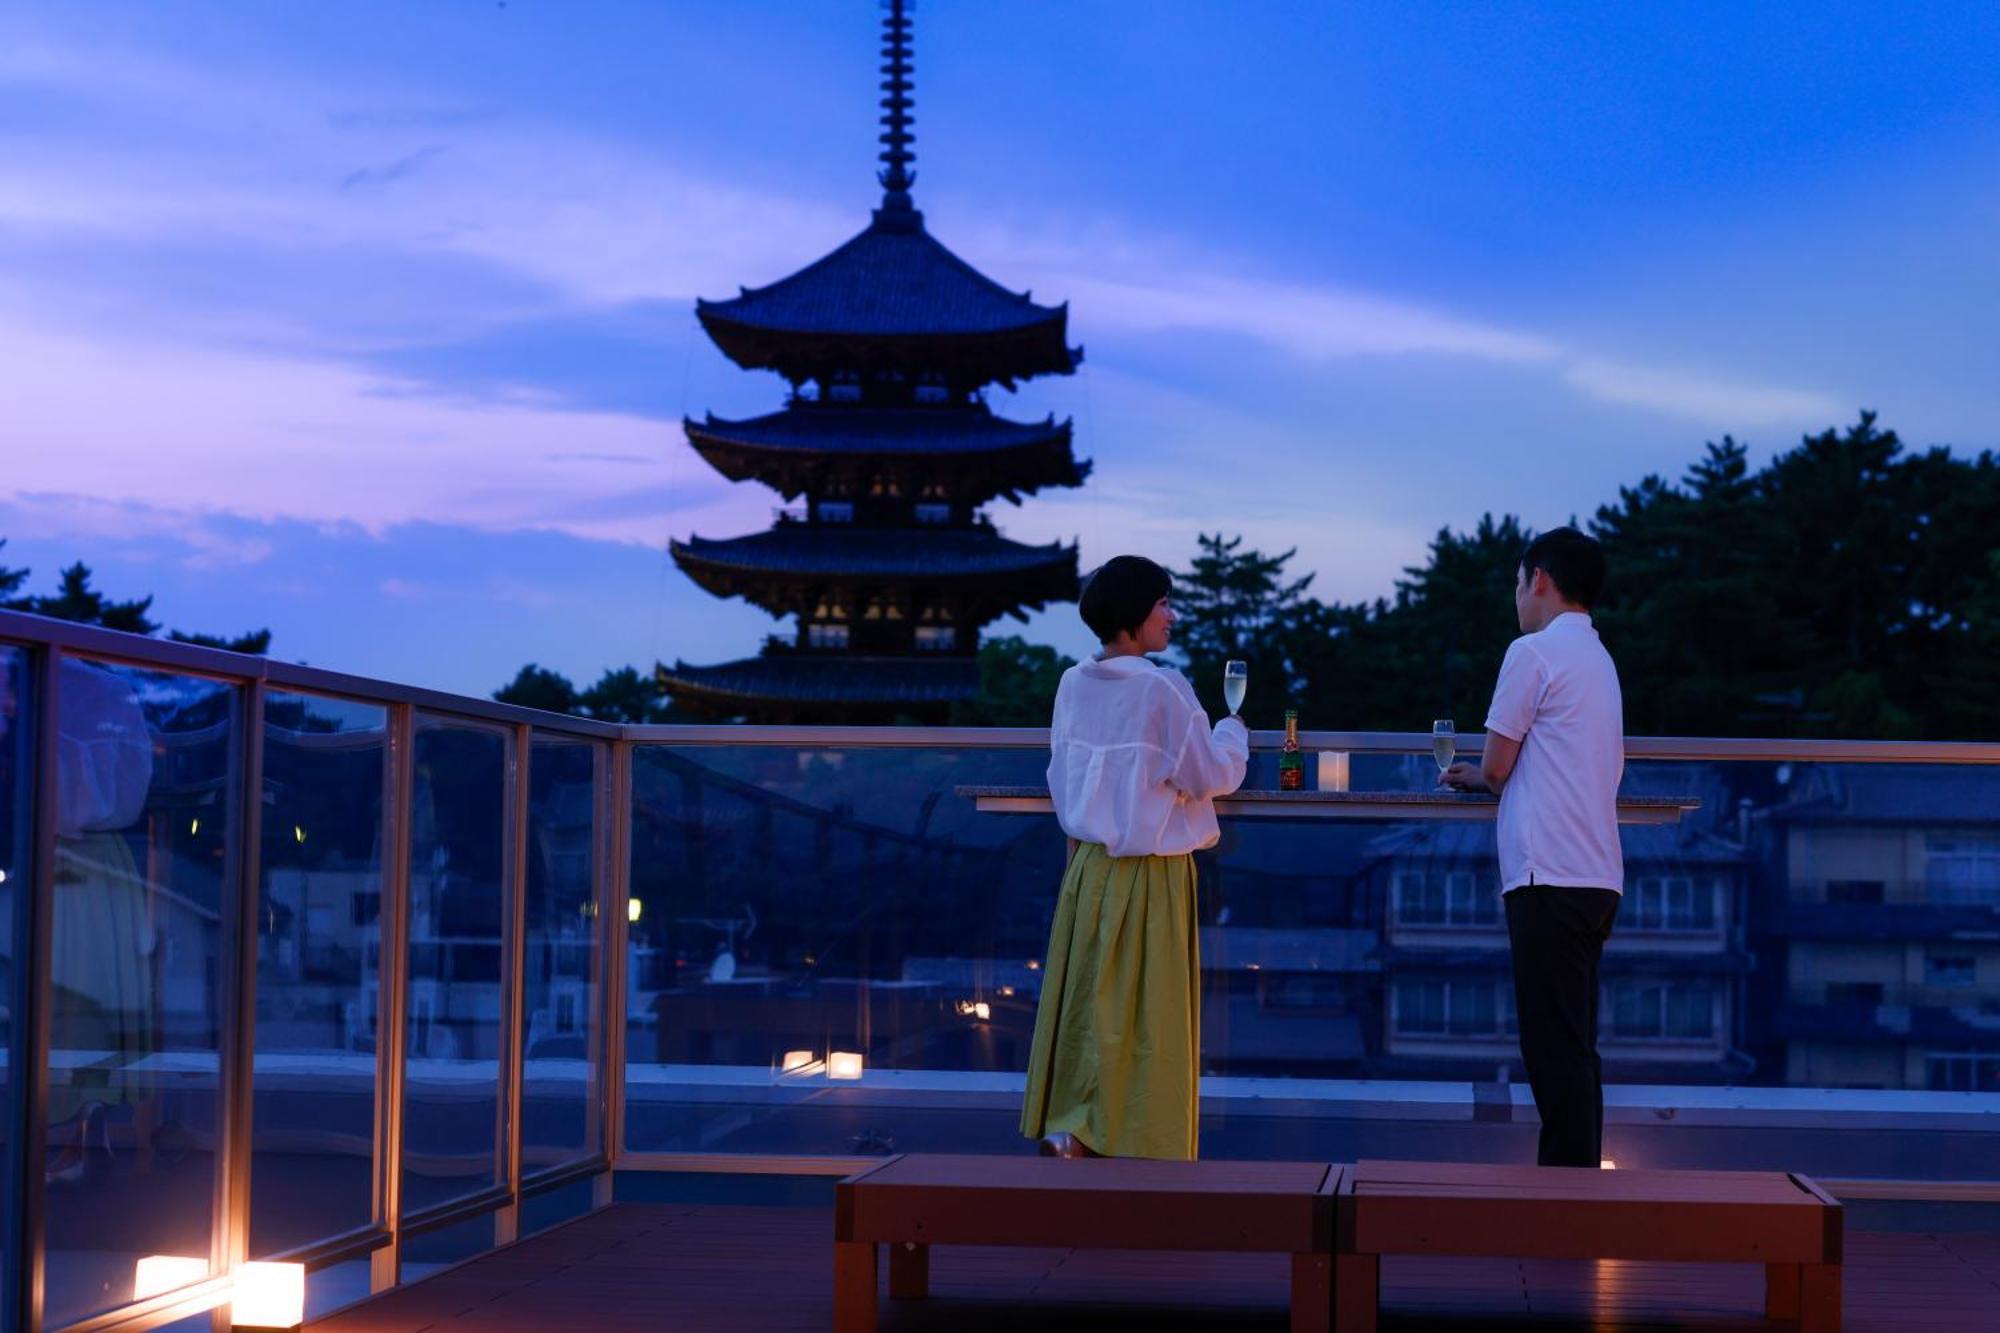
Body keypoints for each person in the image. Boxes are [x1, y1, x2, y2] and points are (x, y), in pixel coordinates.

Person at [1020, 555, 1248, 1160]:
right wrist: (1234, 732)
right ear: (1136, 613)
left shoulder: (1072, 684)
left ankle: (1073, 1126)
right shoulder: (1162, 687)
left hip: (1088, 870)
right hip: (1151, 873)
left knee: (1089, 1005)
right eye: (1163, 604)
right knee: (1148, 1019)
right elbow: (1206, 775)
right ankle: (1139, 1140)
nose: (1171, 616)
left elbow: (1063, 779)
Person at [1441, 526, 1624, 1169]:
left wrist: (1481, 774)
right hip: (1597, 872)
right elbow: (1548, 762)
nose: (1517, 596)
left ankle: (1567, 1193)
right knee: (1574, 1042)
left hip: (1549, 872)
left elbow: (1496, 765)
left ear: (1539, 579)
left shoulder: (1533, 652)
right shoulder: (1598, 659)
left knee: (1552, 1045)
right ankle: (1576, 1182)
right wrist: (1492, 775)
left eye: (1519, 583)